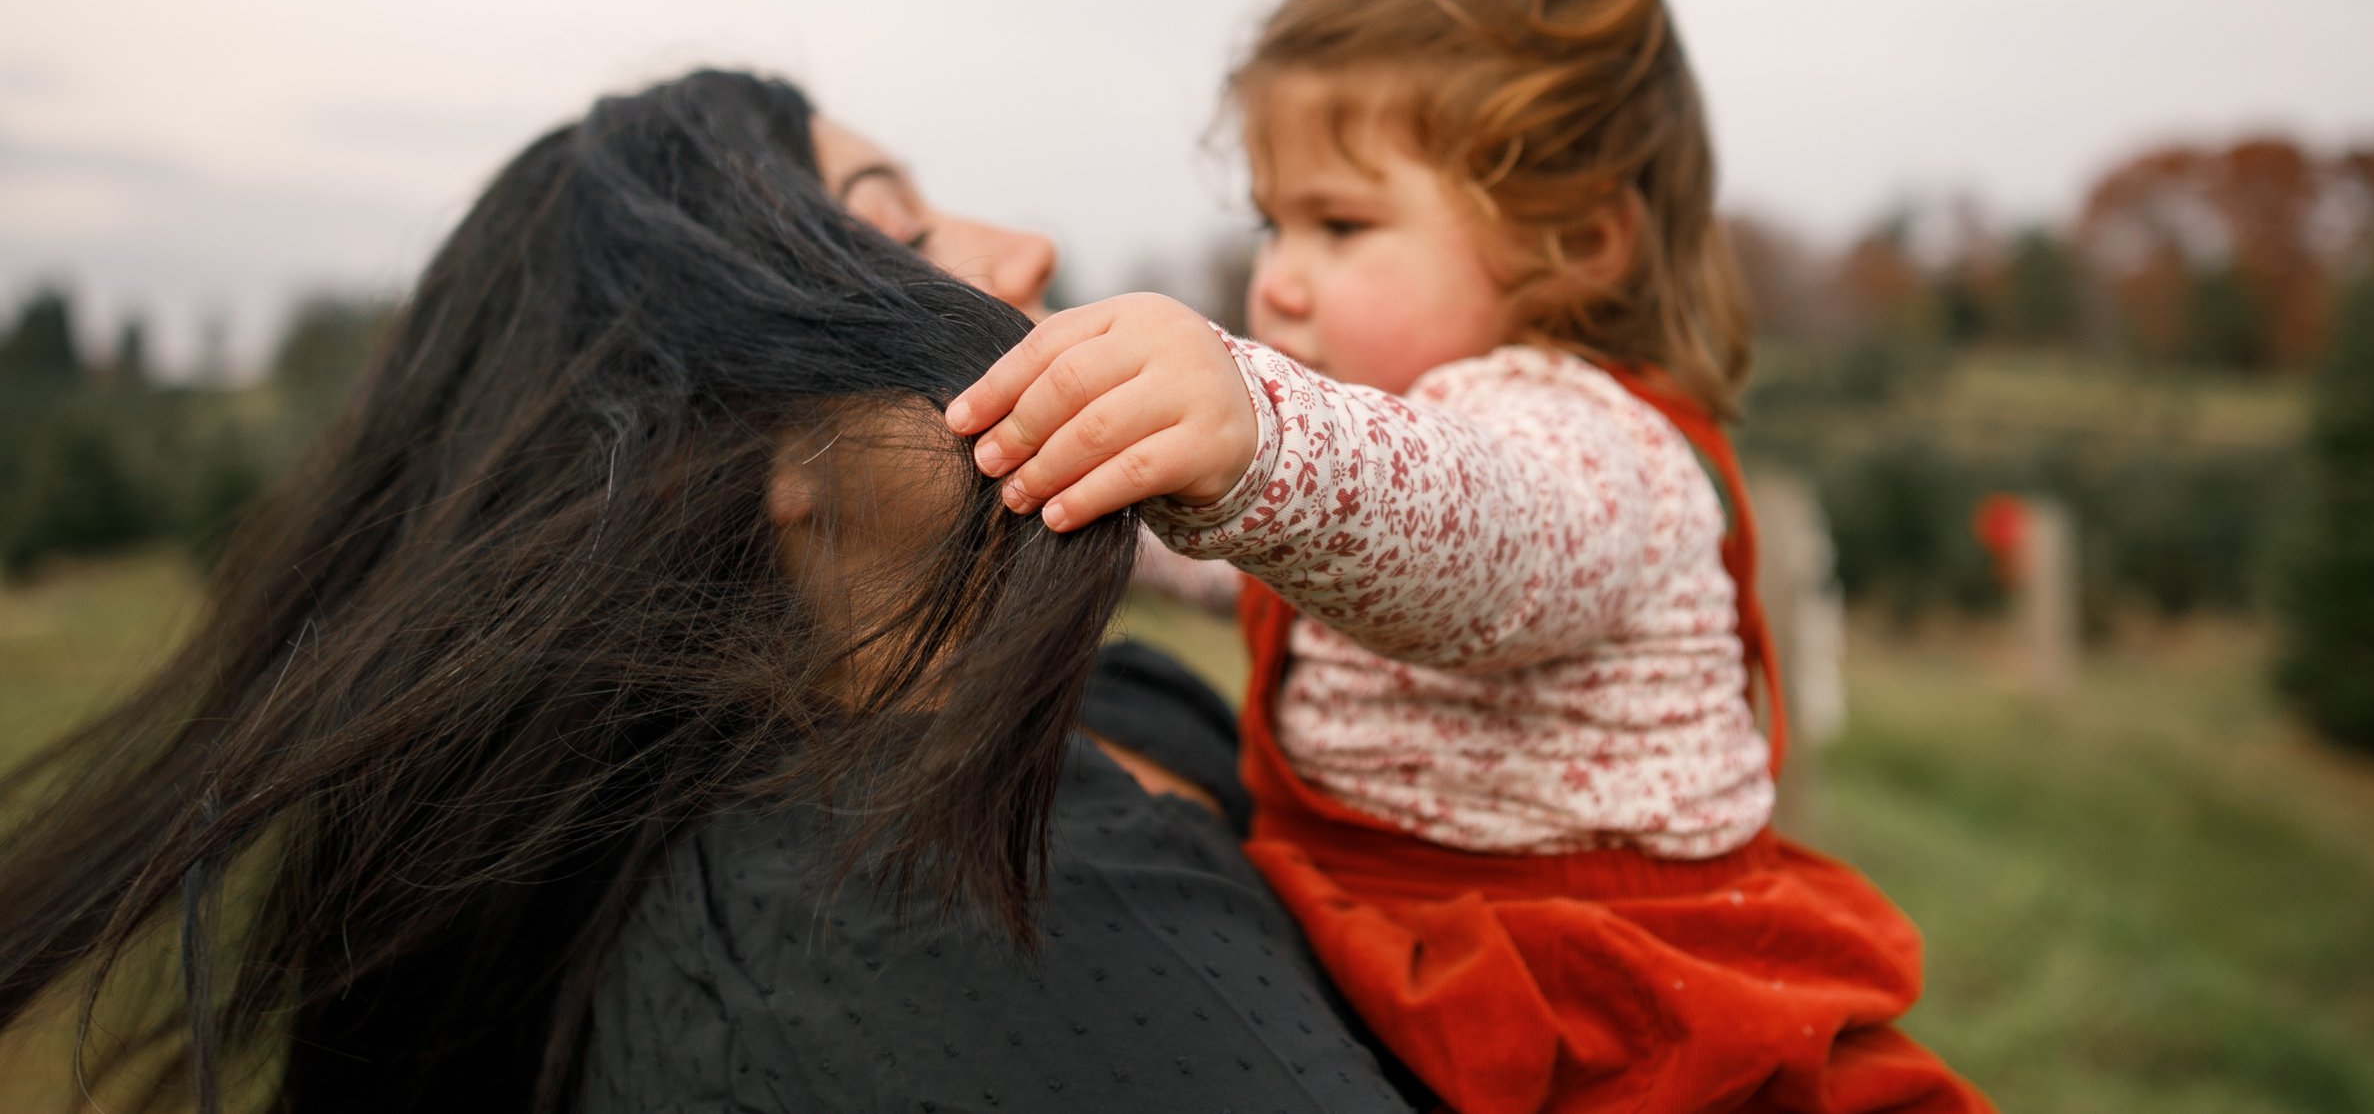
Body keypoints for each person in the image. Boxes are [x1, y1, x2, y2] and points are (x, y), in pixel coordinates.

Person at [0, 70, 1421, 1114]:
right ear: (754, 450)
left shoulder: (1101, 708)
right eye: (900, 232)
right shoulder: (900, 932)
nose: (1025, 254)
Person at [949, 0, 1993, 1113]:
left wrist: (1253, 430)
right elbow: (1265, 571)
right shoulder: (1346, 478)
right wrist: (1081, 456)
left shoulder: (1591, 449)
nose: (1279, 275)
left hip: (1618, 1024)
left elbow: (1473, 539)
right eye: (1274, 221)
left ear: (1580, 242)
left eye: (1342, 223)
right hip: (1419, 963)